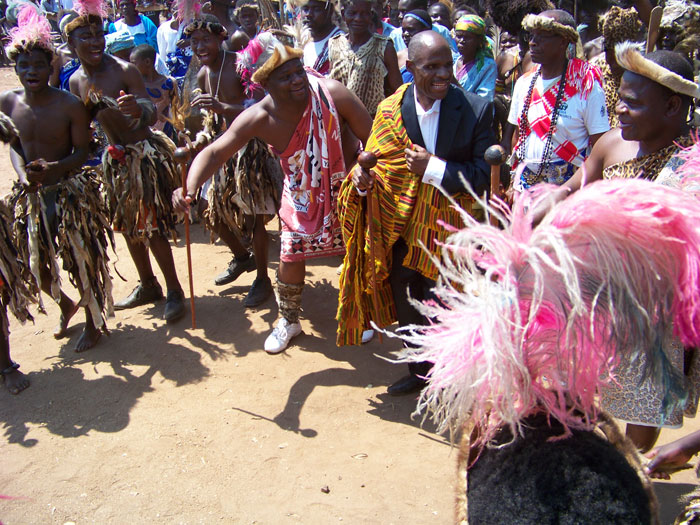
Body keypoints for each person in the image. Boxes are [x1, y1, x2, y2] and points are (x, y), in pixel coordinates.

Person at [534, 47, 700, 452]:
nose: (620, 110)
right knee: (574, 385)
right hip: (595, 295)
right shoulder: (612, 144)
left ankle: (634, 476)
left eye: (634, 103)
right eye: (620, 99)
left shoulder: (692, 164)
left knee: (644, 400)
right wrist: (532, 215)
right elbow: (573, 187)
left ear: (673, 106)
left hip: (656, 307)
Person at [173, 32, 372, 353]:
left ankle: (358, 310)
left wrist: (364, 167)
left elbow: (373, 135)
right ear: (267, 85)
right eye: (286, 76)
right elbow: (214, 153)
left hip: (345, 182)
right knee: (290, 255)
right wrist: (189, 187)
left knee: (355, 252)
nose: (298, 80)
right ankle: (290, 319)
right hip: (299, 191)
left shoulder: (333, 94)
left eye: (298, 71)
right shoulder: (258, 117)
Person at [336, 31, 494, 395]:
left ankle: (451, 377)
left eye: (447, 65)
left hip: (452, 235)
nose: (443, 75)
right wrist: (361, 180)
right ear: (409, 69)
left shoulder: (476, 110)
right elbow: (379, 167)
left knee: (446, 304)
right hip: (403, 230)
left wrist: (435, 169)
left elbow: (484, 176)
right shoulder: (390, 110)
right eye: (431, 67)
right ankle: (418, 371)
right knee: (407, 300)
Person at [66, 0, 186, 322]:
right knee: (128, 226)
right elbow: (83, 125)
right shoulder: (75, 81)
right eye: (86, 38)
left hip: (143, 156)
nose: (95, 42)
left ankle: (174, 289)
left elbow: (148, 109)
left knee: (153, 226)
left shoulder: (124, 70)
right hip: (115, 161)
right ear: (71, 44)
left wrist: (137, 110)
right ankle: (148, 285)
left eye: (98, 35)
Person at [3, 5, 114, 352]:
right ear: (15, 68)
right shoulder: (8, 102)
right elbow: (15, 146)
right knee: (36, 266)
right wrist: (23, 175)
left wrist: (55, 169)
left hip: (68, 192)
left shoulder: (69, 104)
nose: (31, 71)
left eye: (39, 65)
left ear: (51, 65)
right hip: (32, 194)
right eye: (25, 66)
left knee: (80, 258)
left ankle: (93, 319)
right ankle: (66, 304)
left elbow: (82, 152)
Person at [185, 15, 280, 306]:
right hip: (223, 149)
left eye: (206, 40)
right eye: (195, 41)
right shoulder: (203, 74)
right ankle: (242, 257)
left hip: (251, 150)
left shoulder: (240, 64)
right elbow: (209, 119)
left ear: (220, 39)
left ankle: (263, 279)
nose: (200, 46)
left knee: (255, 219)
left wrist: (222, 106)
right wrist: (202, 137)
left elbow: (262, 104)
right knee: (207, 208)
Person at [504, 10, 609, 193]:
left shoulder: (585, 85)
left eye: (542, 36)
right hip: (526, 188)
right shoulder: (524, 83)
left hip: (569, 192)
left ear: (563, 41)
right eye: (532, 35)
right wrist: (515, 183)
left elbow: (601, 146)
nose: (532, 42)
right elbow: (517, 136)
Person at [328, 0, 402, 117]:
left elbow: (398, 92)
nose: (358, 19)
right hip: (340, 126)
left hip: (373, 125)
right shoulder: (335, 44)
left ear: (371, 15)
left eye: (364, 13)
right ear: (343, 14)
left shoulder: (383, 47)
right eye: (352, 13)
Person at [591, 6, 642, 127]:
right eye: (608, 52)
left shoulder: (643, 75)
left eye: (619, 56)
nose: (613, 62)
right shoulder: (594, 71)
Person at [129, 44, 178, 139]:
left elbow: (176, 110)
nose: (131, 67)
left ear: (147, 62)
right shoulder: (136, 86)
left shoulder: (169, 82)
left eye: (134, 63)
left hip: (168, 134)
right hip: (145, 136)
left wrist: (180, 131)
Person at [453, 14, 497, 100]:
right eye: (458, 36)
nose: (461, 41)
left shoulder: (487, 65)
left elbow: (484, 101)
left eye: (467, 37)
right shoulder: (453, 60)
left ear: (479, 40)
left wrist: (455, 84)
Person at [387, 0, 457, 55]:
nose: (400, 16)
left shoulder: (441, 31)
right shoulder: (395, 35)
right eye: (399, 11)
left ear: (421, 9)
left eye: (404, 11)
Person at [300, 0, 343, 76]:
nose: (309, 14)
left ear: (330, 11)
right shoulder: (303, 38)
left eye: (316, 9)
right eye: (305, 9)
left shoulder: (340, 42)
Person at [396, 9, 430, 83]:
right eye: (403, 30)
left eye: (410, 30)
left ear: (426, 30)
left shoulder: (436, 56)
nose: (405, 34)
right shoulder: (398, 57)